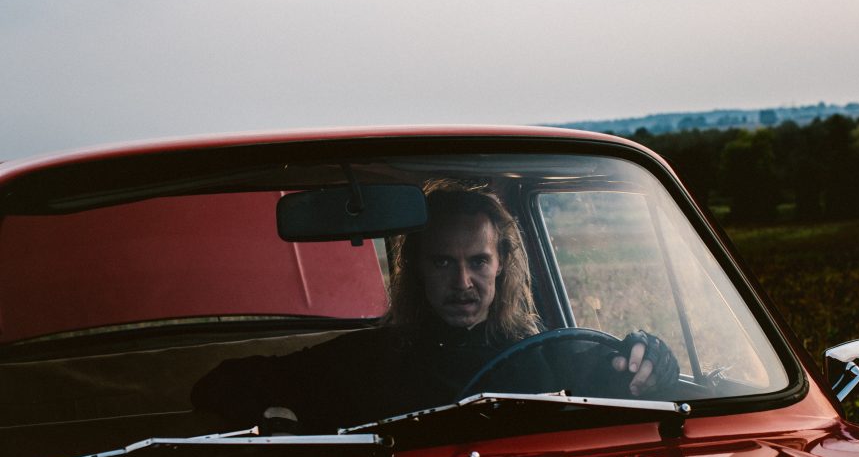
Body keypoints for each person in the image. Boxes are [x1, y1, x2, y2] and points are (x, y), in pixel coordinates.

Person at [191, 182, 679, 432]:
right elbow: (218, 385)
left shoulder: (547, 354)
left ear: (501, 264)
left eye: (478, 261)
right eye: (443, 262)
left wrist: (651, 359)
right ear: (417, 269)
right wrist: (284, 423)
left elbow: (634, 384)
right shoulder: (370, 359)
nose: (462, 283)